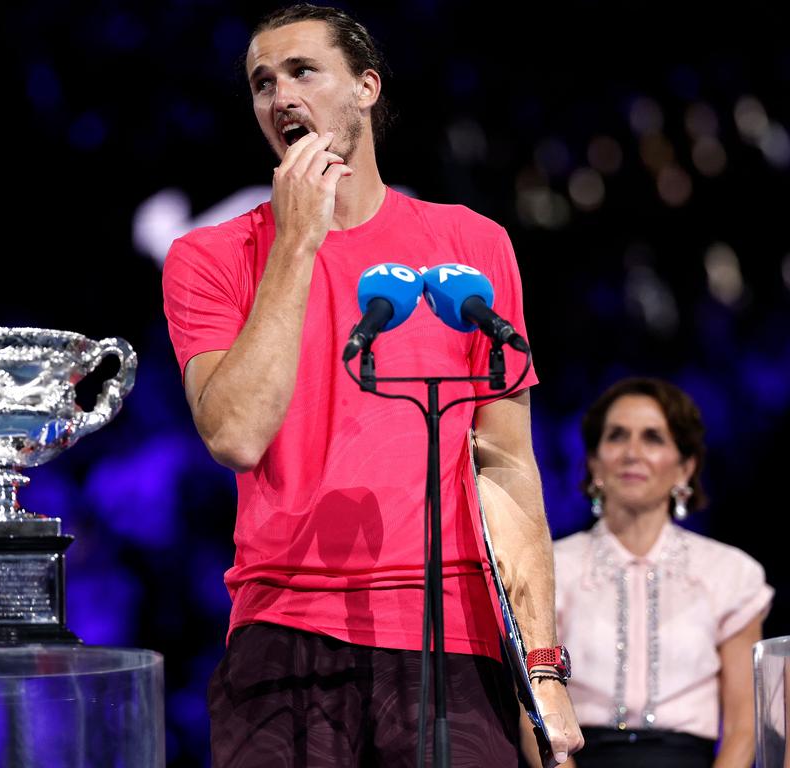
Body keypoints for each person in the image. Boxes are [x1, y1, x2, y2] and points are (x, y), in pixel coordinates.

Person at [162, 4, 582, 765]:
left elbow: (509, 470)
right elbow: (235, 433)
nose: (280, 96)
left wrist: (541, 670)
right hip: (282, 638)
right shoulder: (210, 258)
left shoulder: (471, 247)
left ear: (365, 88)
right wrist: (297, 243)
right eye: (262, 83)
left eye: (302, 72)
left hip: (452, 641)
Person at [553, 378, 772, 768]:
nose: (632, 453)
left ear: (685, 468)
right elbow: (532, 710)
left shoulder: (731, 573)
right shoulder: (550, 568)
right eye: (617, 436)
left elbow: (744, 727)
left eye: (653, 438)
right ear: (594, 462)